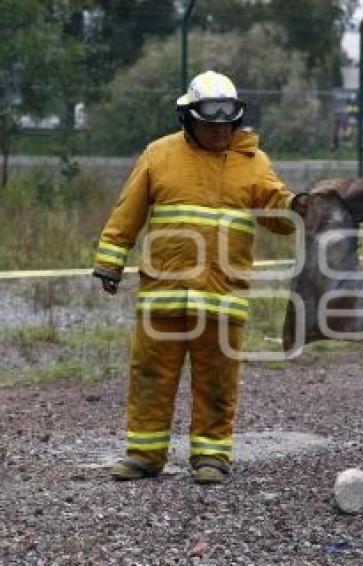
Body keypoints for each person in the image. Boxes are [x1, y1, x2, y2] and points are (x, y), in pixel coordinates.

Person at [93, 71, 308, 484]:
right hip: (163, 294)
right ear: (189, 119)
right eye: (211, 125)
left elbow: (275, 211)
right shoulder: (159, 155)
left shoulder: (253, 162)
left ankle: (211, 457)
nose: (219, 132)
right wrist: (110, 263)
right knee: (151, 375)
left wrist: (299, 206)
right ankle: (144, 455)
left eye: (226, 124)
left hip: (222, 298)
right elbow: (127, 213)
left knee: (217, 380)